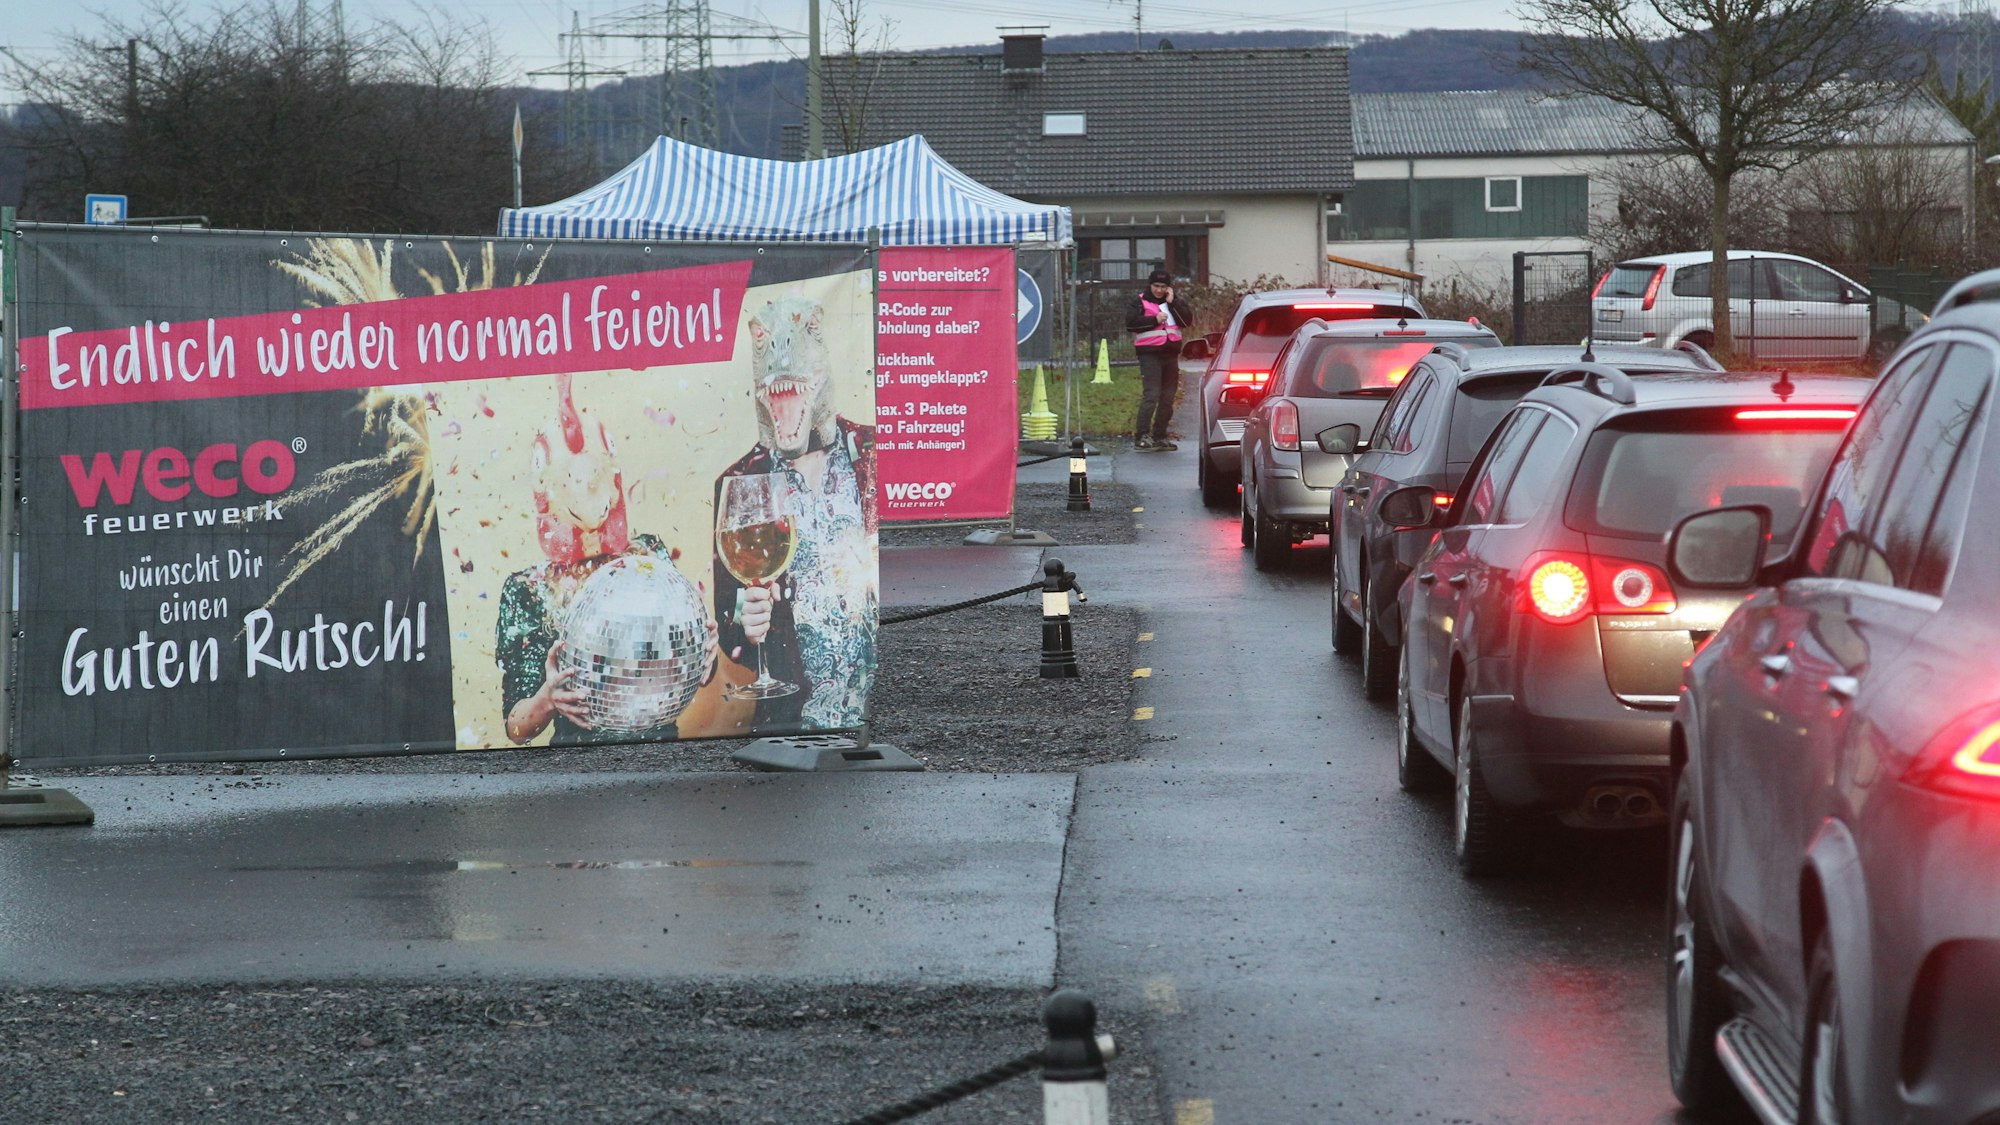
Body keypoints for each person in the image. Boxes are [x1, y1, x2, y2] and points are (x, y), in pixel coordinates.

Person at [496, 374, 717, 746]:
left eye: (593, 476)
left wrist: (705, 659)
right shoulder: (528, 591)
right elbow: (516, 728)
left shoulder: (650, 560)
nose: (585, 491)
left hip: (660, 757)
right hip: (578, 773)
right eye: (572, 479)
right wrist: (547, 700)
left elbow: (691, 670)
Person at [713, 294, 878, 732]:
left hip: (880, 715)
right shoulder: (740, 483)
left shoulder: (874, 454)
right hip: (796, 725)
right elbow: (731, 629)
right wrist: (744, 620)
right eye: (762, 336)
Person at [1125, 269, 1195, 451]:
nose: (1159, 290)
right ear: (1150, 285)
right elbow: (1131, 323)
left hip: (1170, 354)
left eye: (1163, 287)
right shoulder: (1139, 301)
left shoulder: (1173, 302)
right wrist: (1154, 319)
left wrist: (1174, 303)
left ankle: (1159, 436)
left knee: (1168, 397)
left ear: (1168, 288)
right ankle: (1141, 435)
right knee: (1152, 395)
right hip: (1149, 354)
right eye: (1156, 286)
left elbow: (1186, 321)